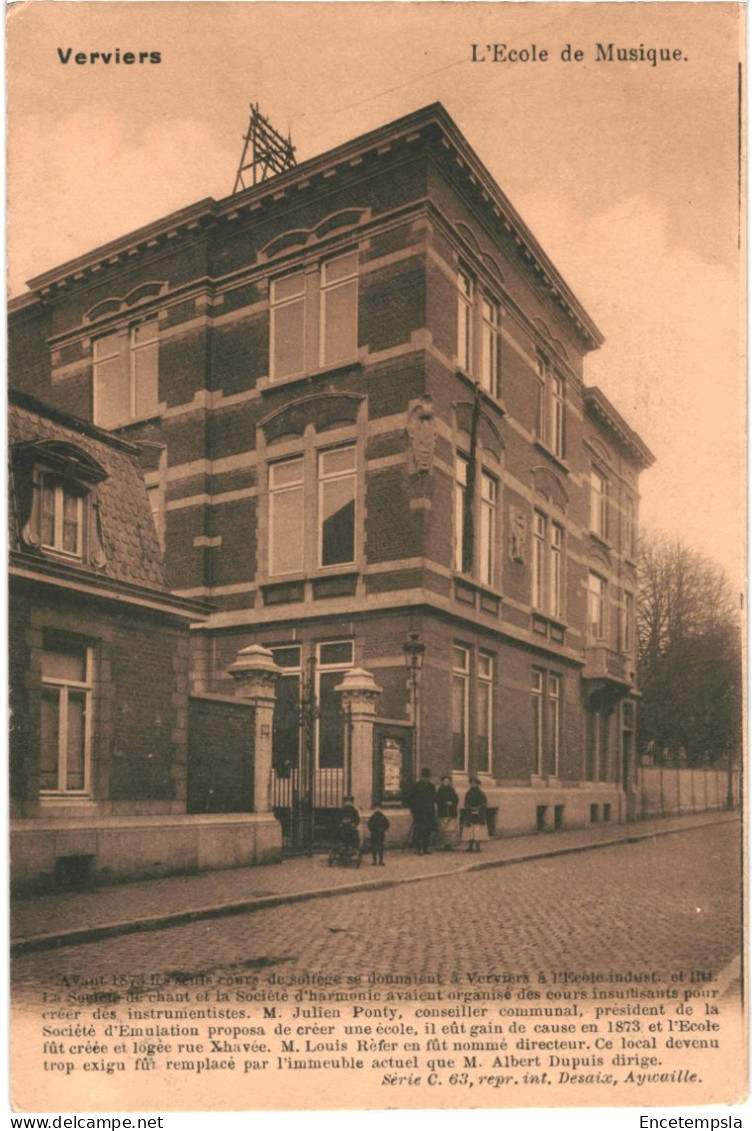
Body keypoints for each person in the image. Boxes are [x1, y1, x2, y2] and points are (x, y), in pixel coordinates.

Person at [408, 767, 437, 854]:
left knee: (428, 830)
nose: (426, 779)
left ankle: (425, 847)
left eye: (427, 777)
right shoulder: (416, 786)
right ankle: (419, 848)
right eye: (424, 777)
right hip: (419, 812)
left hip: (429, 812)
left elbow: (434, 799)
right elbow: (412, 799)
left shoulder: (432, 787)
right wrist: (413, 811)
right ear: (421, 777)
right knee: (419, 830)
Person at [461, 777, 488, 853]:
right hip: (470, 814)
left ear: (477, 784)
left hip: (478, 815)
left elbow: (484, 803)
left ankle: (477, 846)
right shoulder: (468, 793)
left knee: (477, 830)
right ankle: (470, 846)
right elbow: (466, 803)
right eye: (471, 783)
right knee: (470, 830)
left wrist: (478, 809)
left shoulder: (481, 793)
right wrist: (470, 808)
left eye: (475, 783)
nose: (473, 785)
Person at [436, 775, 459, 850]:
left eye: (448, 781)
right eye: (445, 781)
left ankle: (449, 844)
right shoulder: (440, 790)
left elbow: (456, 799)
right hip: (443, 812)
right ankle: (444, 844)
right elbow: (438, 800)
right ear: (442, 782)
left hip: (451, 811)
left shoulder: (452, 790)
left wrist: (452, 803)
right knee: (444, 828)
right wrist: (445, 803)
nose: (447, 782)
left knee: (451, 829)